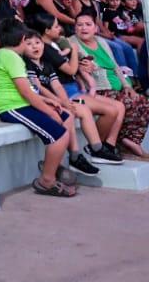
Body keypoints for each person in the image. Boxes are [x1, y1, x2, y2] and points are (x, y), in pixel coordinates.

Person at [26, 11, 124, 166]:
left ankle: (104, 147)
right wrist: (74, 50)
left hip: (75, 90)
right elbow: (71, 70)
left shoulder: (55, 44)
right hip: (69, 94)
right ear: (46, 30)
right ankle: (95, 148)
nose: (60, 29)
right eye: (56, 26)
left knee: (119, 106)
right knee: (110, 110)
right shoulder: (48, 49)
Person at [0, 23, 77, 197]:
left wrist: (46, 101)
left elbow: (28, 90)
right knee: (59, 136)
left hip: (22, 103)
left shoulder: (9, 55)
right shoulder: (11, 57)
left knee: (66, 116)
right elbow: (26, 93)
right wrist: (49, 111)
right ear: (22, 40)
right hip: (13, 107)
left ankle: (51, 166)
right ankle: (47, 180)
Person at [15, 28, 101, 178]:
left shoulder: (46, 64)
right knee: (67, 114)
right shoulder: (26, 64)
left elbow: (57, 86)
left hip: (56, 100)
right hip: (41, 101)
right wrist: (61, 102)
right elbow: (38, 88)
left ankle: (97, 149)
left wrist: (66, 101)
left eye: (37, 42)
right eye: (29, 44)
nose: (35, 46)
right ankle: (73, 155)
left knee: (82, 109)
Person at [66, 13, 149, 156]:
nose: (83, 28)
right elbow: (79, 65)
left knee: (145, 103)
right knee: (129, 103)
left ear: (95, 28)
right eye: (79, 25)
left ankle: (130, 140)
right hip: (99, 89)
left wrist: (127, 86)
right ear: (75, 28)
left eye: (88, 24)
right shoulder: (72, 43)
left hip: (116, 86)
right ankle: (110, 143)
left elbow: (115, 66)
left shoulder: (101, 41)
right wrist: (86, 66)